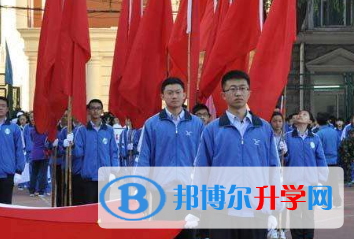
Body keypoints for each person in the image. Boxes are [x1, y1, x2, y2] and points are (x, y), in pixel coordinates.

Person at [193, 70, 280, 239]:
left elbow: (274, 169)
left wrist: (274, 207)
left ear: (249, 93)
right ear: (223, 95)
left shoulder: (263, 128)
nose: (238, 93)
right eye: (232, 89)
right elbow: (201, 170)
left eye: (242, 88)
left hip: (256, 208)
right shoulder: (213, 130)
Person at [137, 77, 204, 239]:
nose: (174, 96)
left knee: (188, 234)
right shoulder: (152, 124)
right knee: (163, 234)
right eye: (170, 93)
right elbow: (143, 159)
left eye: (178, 92)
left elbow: (204, 160)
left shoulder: (197, 124)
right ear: (162, 96)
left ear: (184, 95)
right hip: (161, 192)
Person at [284, 110, 328, 239]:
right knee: (295, 215)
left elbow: (321, 159)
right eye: (298, 114)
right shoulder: (287, 137)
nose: (300, 115)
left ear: (309, 121)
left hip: (310, 183)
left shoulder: (315, 138)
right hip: (293, 184)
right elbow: (284, 161)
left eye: (304, 114)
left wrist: (322, 178)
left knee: (309, 215)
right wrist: (284, 153)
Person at [66, 99, 118, 204]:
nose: (96, 111)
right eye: (93, 108)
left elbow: (114, 152)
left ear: (102, 111)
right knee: (89, 210)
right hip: (88, 178)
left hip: (105, 177)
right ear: (89, 111)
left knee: (104, 210)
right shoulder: (82, 130)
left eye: (98, 108)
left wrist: (114, 171)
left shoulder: (109, 130)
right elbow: (78, 153)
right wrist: (72, 145)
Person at [315, 112, 342, 207]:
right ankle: (337, 200)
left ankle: (326, 201)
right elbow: (339, 145)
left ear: (317, 121)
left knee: (325, 182)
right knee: (334, 181)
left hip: (324, 162)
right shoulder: (334, 132)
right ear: (327, 121)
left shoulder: (318, 134)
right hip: (334, 161)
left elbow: (317, 150)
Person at [28, 115, 50, 197]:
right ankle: (41, 191)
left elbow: (32, 140)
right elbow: (47, 142)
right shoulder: (46, 131)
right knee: (43, 174)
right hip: (43, 154)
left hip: (35, 153)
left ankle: (32, 191)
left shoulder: (32, 130)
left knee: (34, 173)